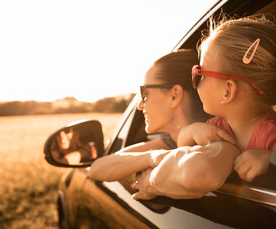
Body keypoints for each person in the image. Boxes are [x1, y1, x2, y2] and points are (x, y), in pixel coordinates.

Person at [132, 15, 276, 200]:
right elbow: (183, 150)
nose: (195, 83)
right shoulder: (216, 126)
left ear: (227, 91)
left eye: (199, 74)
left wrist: (270, 160)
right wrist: (190, 131)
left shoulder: (274, 135)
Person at [88, 50, 234, 181]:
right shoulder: (167, 142)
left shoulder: (216, 139)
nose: (139, 105)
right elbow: (96, 169)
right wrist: (152, 157)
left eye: (145, 94)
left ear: (174, 95)